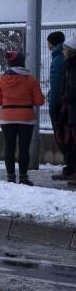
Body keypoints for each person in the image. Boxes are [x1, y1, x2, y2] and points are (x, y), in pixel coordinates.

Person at [0, 51, 45, 185]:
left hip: (7, 117)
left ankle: (10, 177)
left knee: (9, 148)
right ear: (22, 63)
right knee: (24, 148)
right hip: (26, 117)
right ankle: (23, 177)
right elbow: (39, 101)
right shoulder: (30, 79)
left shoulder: (1, 80)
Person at [47, 31, 75, 180]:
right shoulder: (62, 60)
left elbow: (57, 84)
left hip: (61, 106)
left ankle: (71, 167)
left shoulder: (58, 61)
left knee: (63, 137)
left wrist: (53, 104)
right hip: (66, 105)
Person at [63, 39, 76, 187]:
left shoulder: (72, 67)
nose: (63, 51)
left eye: (65, 49)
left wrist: (63, 98)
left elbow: (73, 90)